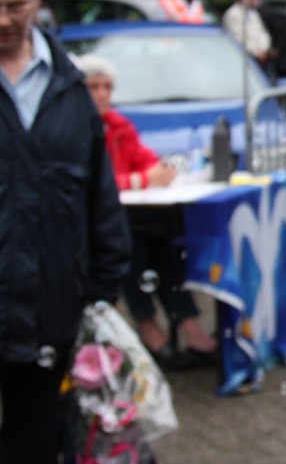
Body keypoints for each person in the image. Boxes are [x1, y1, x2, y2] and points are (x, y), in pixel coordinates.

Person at [0, 0, 131, 464]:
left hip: (50, 311)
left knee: (34, 456)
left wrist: (103, 288)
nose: (4, 20)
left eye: (15, 5)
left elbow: (99, 194)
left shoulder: (71, 88)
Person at [76, 55, 218, 368]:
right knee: (131, 241)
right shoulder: (74, 128)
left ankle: (186, 322)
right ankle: (151, 326)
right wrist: (143, 179)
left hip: (124, 214)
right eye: (93, 87)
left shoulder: (118, 125)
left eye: (107, 87)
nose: (101, 94)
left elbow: (145, 159)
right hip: (88, 221)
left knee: (162, 239)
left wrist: (163, 169)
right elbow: (93, 183)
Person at [222, 0, 273, 66]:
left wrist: (263, 49)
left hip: (259, 59)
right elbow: (238, 39)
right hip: (243, 60)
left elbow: (263, 33)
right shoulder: (233, 14)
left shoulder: (253, 13)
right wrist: (257, 52)